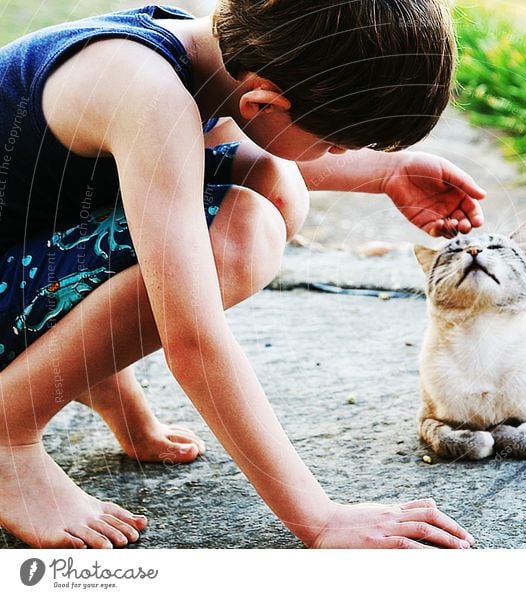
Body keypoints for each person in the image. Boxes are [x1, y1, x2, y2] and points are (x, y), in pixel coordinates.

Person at [0, 0, 485, 549]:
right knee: (239, 236)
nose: (337, 153)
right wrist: (318, 519)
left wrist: (387, 172)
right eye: (334, 142)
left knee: (272, 179)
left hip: (19, 250)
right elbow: (194, 339)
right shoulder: (147, 94)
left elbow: (245, 147)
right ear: (261, 100)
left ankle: (85, 374)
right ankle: (8, 436)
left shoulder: (202, 45)